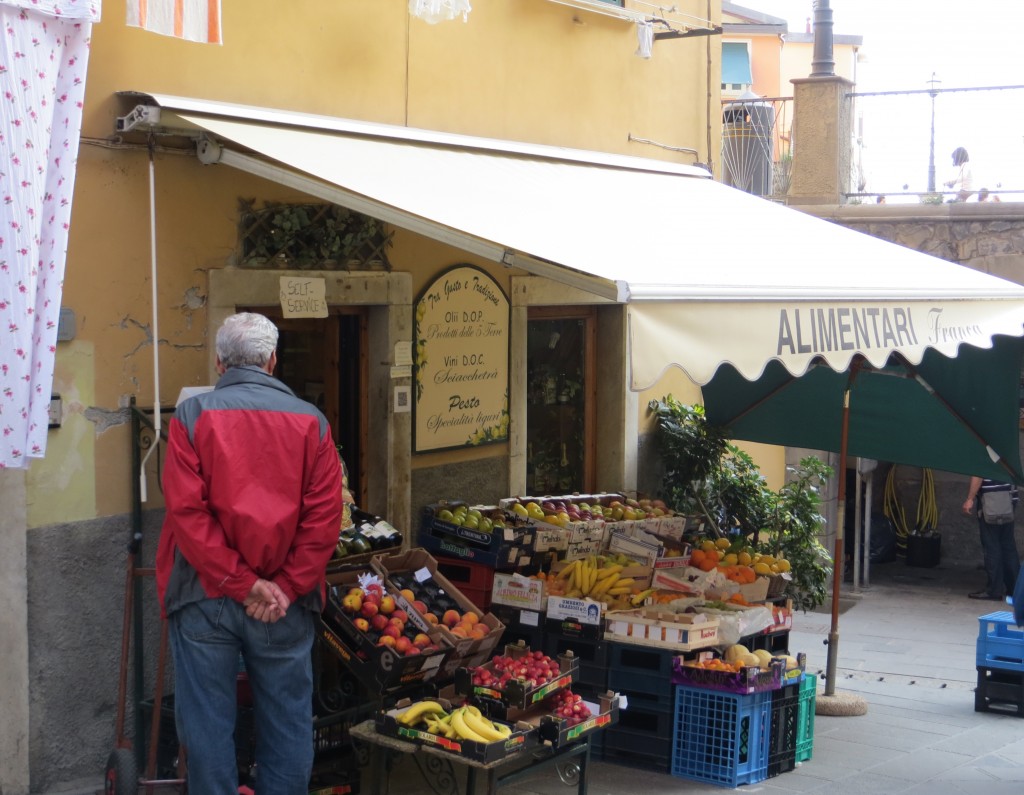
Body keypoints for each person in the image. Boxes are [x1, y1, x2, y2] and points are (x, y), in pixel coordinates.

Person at [157, 312, 342, 794]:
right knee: (287, 723)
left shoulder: (192, 417)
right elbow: (323, 524)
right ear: (273, 361)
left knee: (208, 728)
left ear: (219, 363)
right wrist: (280, 587)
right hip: (284, 602)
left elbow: (186, 515)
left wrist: (242, 584)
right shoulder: (313, 422)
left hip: (205, 597)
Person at [962, 476, 1020, 600]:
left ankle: (994, 590)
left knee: (991, 546)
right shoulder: (1007, 455)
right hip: (1008, 497)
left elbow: (978, 474)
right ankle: (1016, 590)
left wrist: (970, 499)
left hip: (991, 500)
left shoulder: (984, 456)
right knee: (1008, 546)